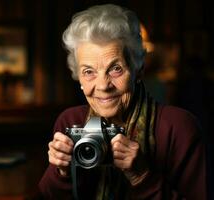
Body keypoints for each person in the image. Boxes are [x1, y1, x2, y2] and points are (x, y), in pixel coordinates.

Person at [39, 4, 207, 200]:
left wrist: (142, 176)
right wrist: (62, 172)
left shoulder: (179, 127)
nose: (103, 85)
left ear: (138, 70)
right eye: (88, 72)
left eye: (115, 68)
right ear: (79, 79)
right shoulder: (71, 121)